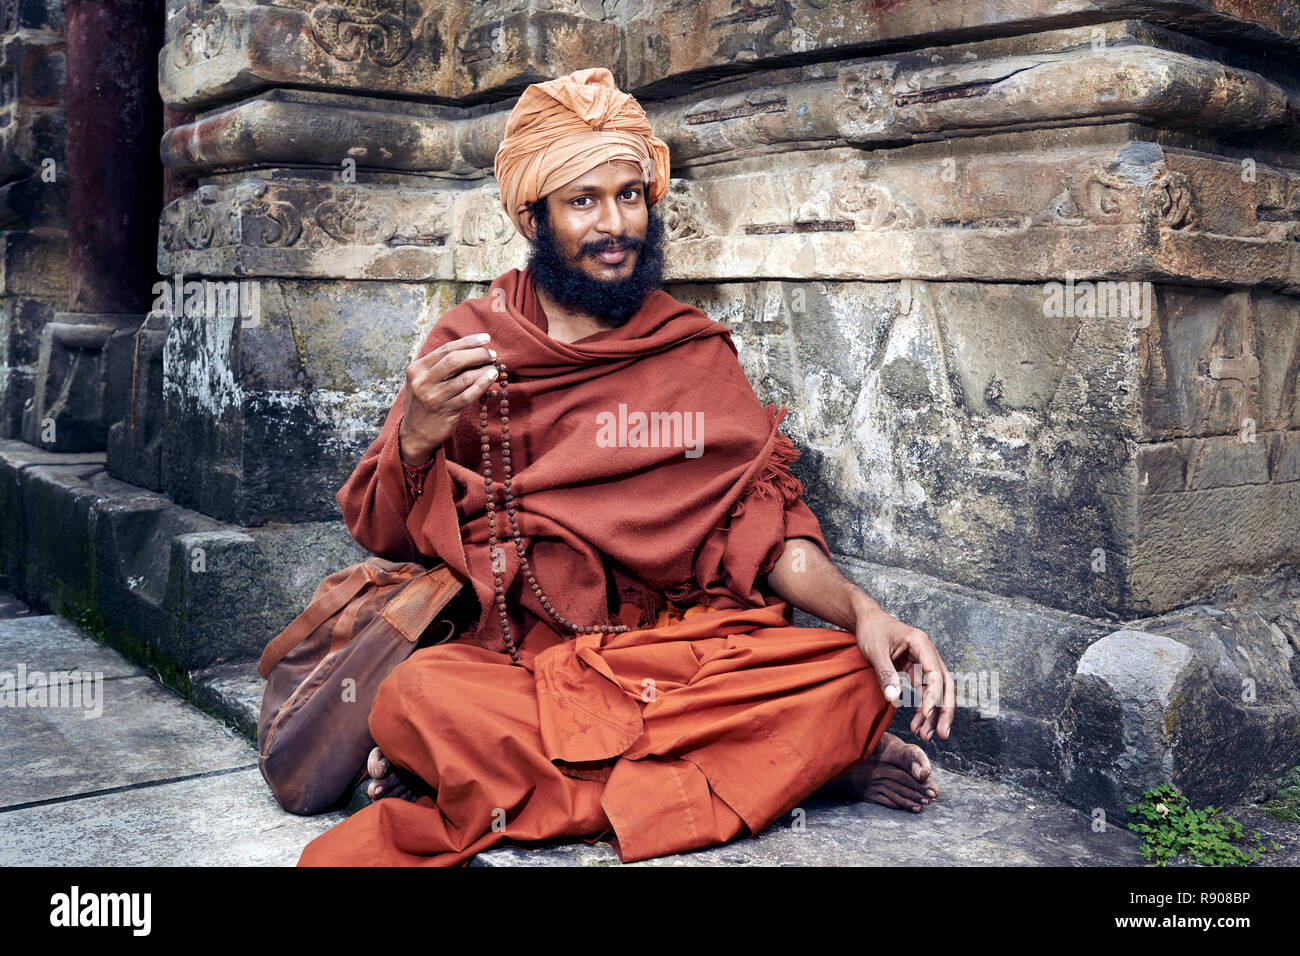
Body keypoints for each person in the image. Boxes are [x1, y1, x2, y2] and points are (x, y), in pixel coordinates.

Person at [296, 67, 954, 867]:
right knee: (418, 695)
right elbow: (383, 530)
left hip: (666, 657)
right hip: (523, 664)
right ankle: (792, 768)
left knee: (846, 676)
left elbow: (764, 529)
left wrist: (863, 613)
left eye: (631, 195)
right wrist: (417, 438)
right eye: (584, 201)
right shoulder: (469, 345)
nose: (617, 224)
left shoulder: (692, 349)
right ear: (531, 216)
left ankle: (484, 783)